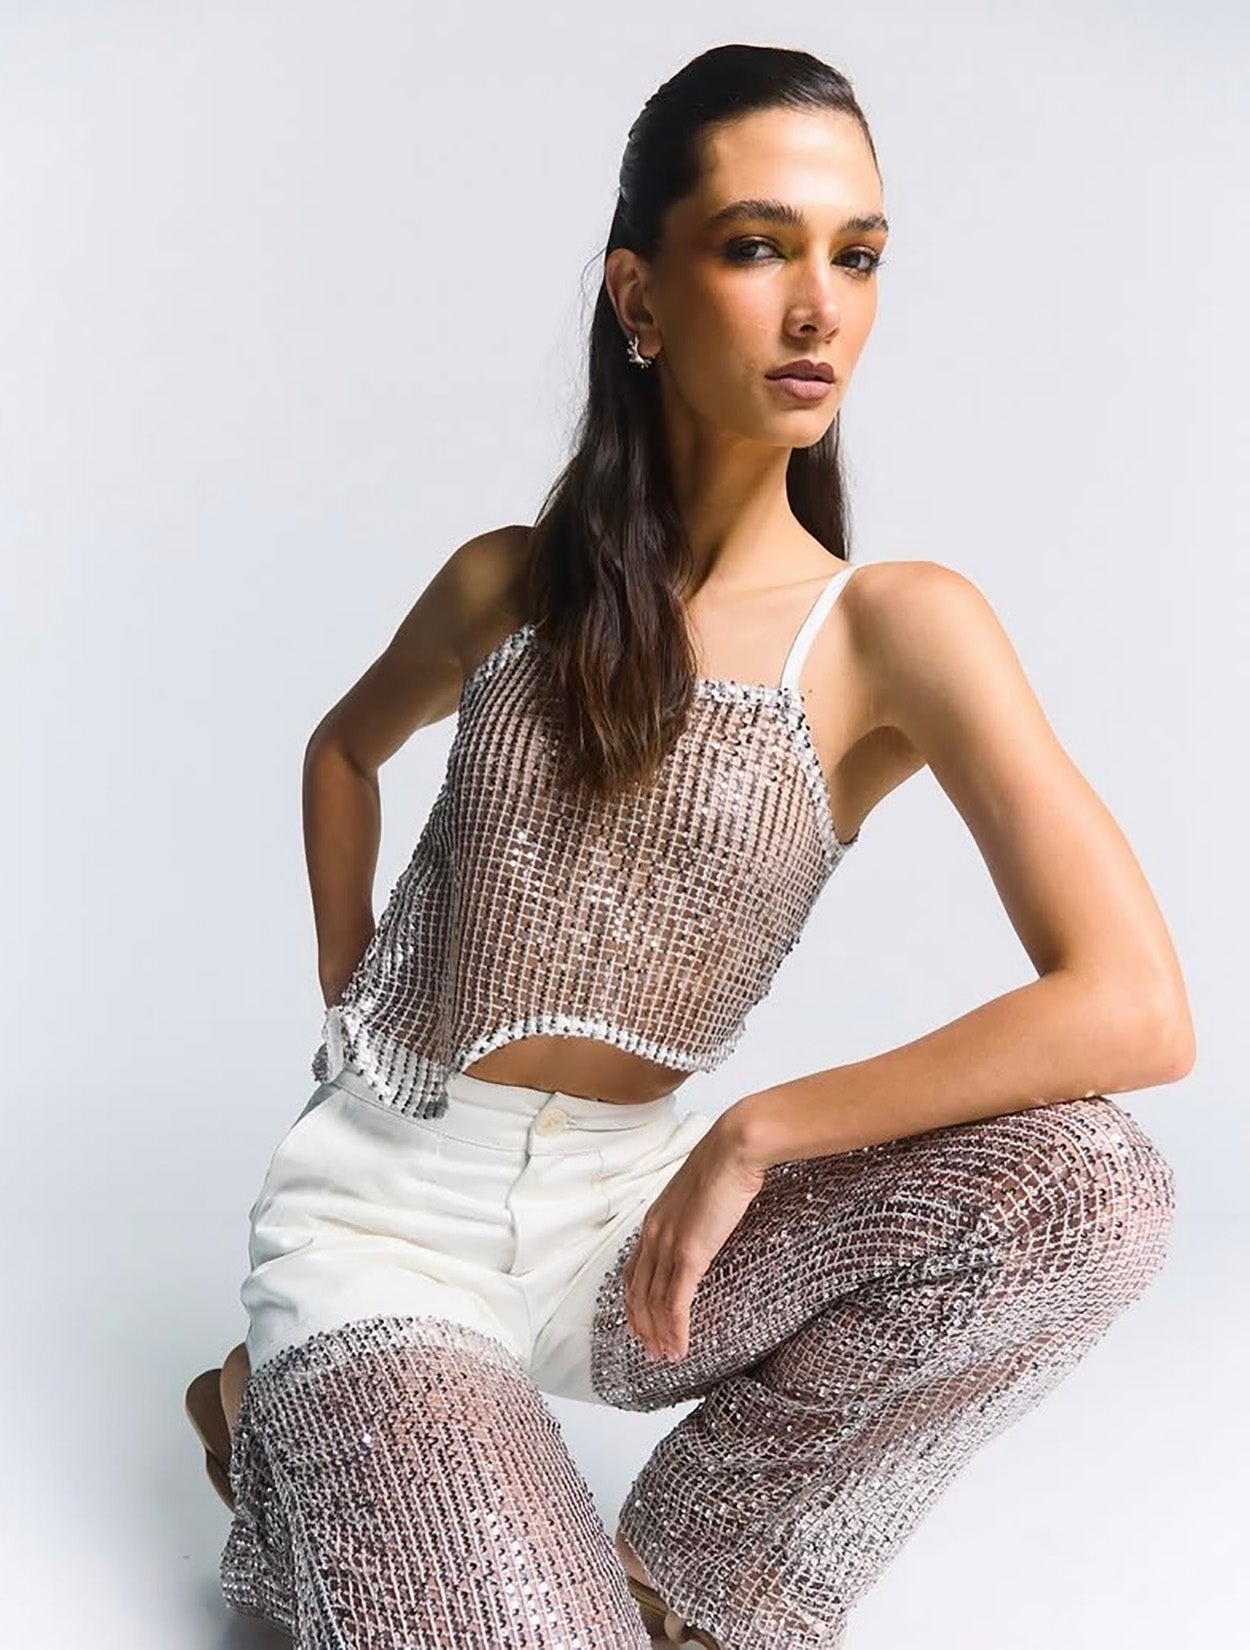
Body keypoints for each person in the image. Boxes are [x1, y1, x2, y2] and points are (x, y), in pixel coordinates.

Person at [184, 42, 1191, 1650]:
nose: (817, 310)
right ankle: (284, 1417)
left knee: (1091, 1188)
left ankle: (707, 1576)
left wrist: (756, 1133)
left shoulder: (895, 629)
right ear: (638, 295)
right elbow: (342, 749)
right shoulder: (508, 585)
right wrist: (351, 985)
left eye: (856, 256)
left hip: (639, 1217)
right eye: (757, 247)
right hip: (389, 1231)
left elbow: (1132, 1007)